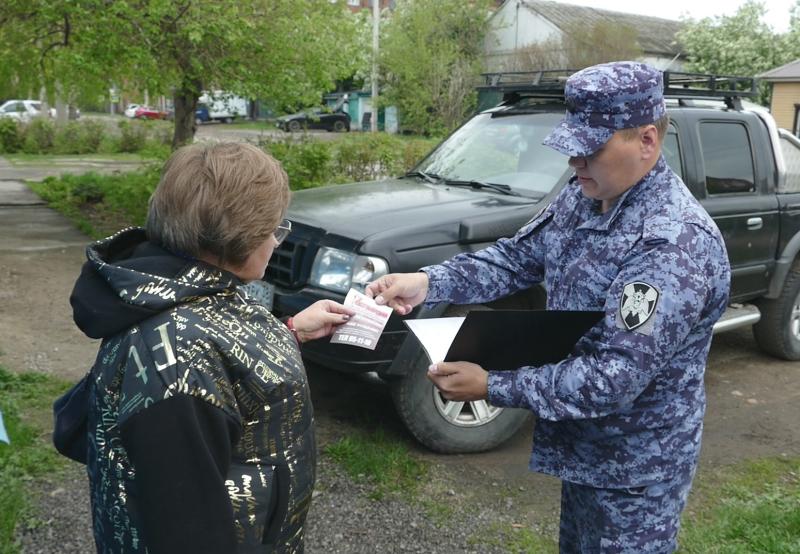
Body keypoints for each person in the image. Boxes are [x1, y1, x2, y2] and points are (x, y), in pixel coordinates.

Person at [366, 61, 731, 553]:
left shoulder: (671, 244)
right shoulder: (588, 196)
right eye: (572, 148)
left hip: (635, 472)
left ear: (647, 140)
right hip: (587, 452)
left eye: (591, 149)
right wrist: (429, 282)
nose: (575, 162)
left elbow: (614, 377)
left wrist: (493, 386)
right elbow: (519, 256)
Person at [69, 142, 353, 553]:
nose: (276, 242)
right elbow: (187, 530)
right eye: (274, 230)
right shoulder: (178, 370)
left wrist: (290, 331)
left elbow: (221, 355)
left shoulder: (185, 283)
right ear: (239, 240)